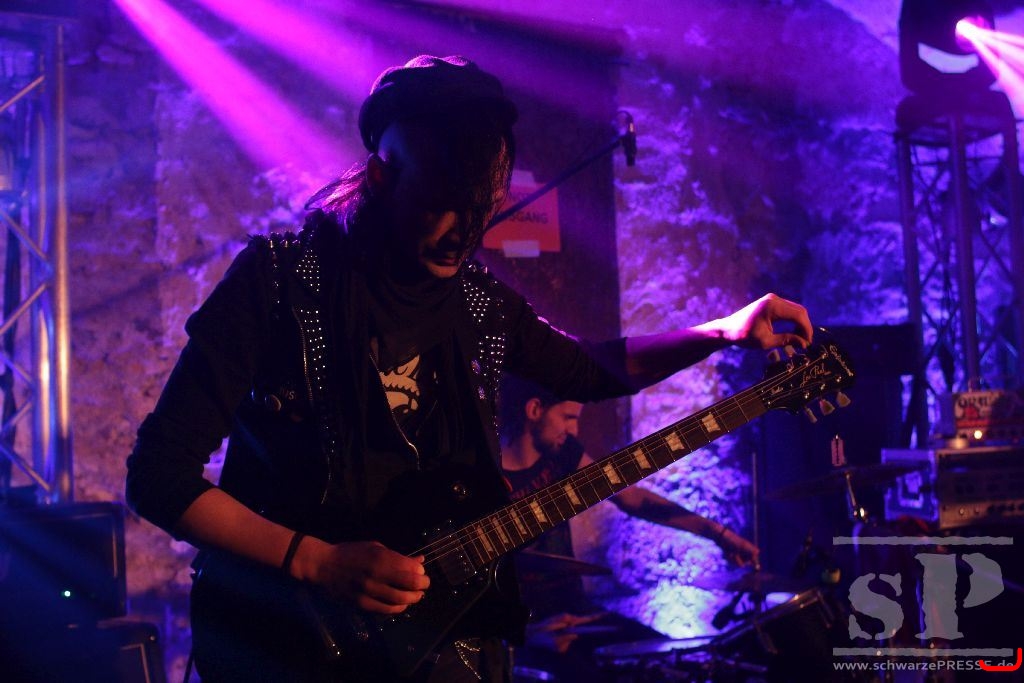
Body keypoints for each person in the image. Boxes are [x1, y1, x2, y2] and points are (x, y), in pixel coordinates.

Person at [124, 54, 814, 683]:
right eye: (441, 203)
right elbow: (158, 475)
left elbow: (590, 369)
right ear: (382, 176)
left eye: (480, 209)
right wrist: (318, 559)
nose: (462, 232)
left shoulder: (477, 305)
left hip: (435, 649)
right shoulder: (277, 282)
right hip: (284, 648)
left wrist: (723, 331)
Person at [499, 377, 759, 679]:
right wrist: (527, 635)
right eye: (568, 417)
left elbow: (632, 499)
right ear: (534, 410)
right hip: (527, 629)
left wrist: (718, 534)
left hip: (579, 615)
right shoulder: (487, 478)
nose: (574, 430)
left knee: (667, 660)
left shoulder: (562, 454)